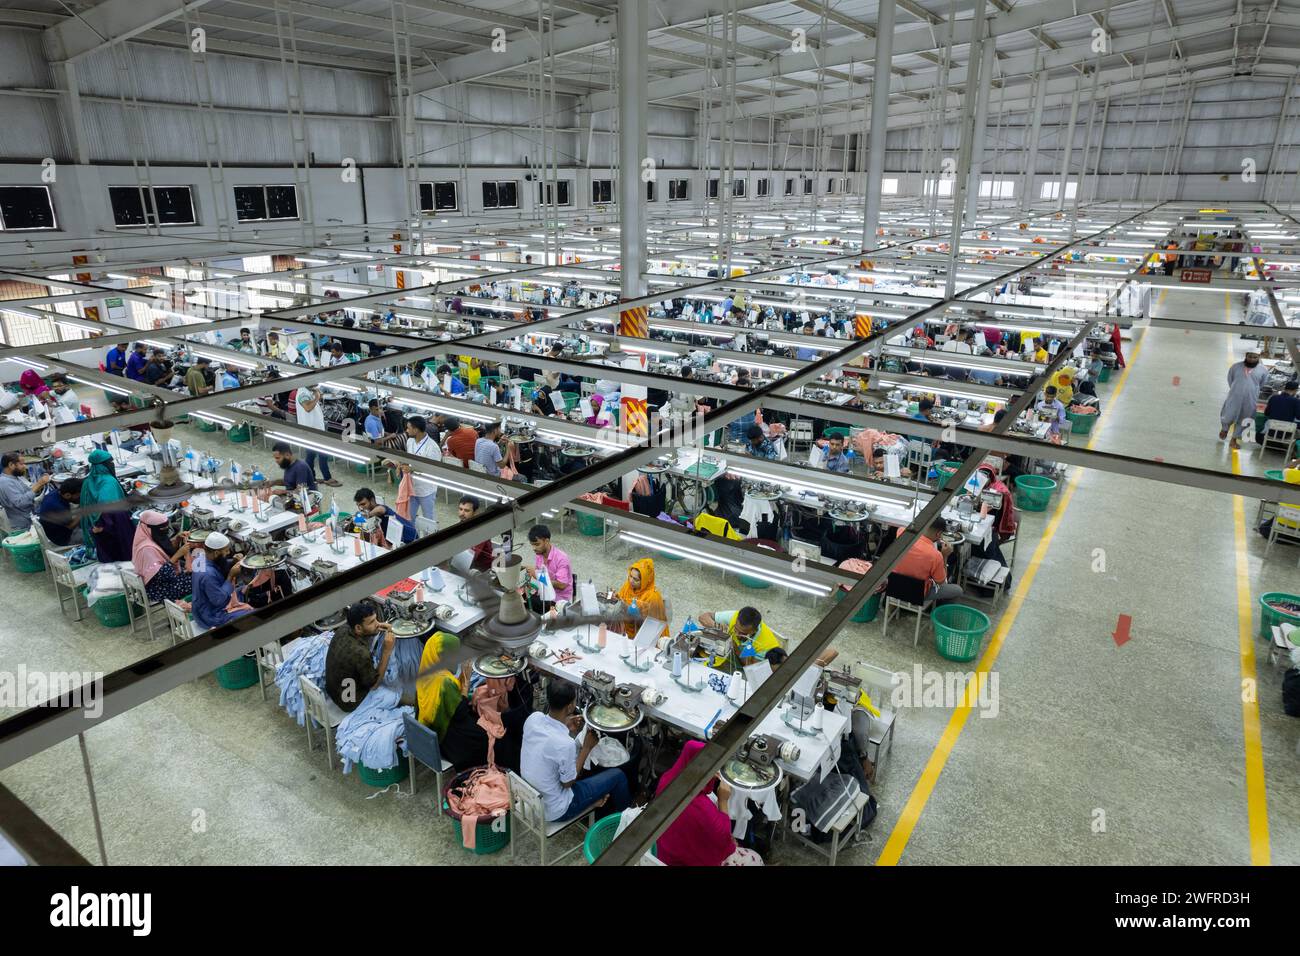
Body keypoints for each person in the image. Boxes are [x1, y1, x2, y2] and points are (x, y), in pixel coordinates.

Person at [520, 682, 630, 822]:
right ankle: (629, 824)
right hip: (556, 810)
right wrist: (586, 748)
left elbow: (547, 740)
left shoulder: (533, 719)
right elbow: (567, 784)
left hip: (530, 797)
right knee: (618, 775)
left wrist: (564, 723)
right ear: (571, 706)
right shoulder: (565, 744)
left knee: (577, 772)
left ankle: (592, 800)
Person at [655, 740, 764, 866]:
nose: (715, 774)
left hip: (666, 854)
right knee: (755, 858)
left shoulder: (667, 780)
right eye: (713, 770)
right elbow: (725, 843)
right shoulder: (702, 809)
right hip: (687, 861)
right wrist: (723, 800)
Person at [324, 601, 396, 713]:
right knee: (395, 695)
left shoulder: (343, 629)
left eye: (376, 619)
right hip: (349, 702)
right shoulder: (360, 653)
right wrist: (387, 651)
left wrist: (375, 625)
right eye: (372, 622)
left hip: (333, 690)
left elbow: (363, 635)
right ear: (358, 628)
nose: (377, 624)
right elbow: (374, 685)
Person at [189, 532, 253, 632]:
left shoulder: (200, 558)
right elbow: (219, 600)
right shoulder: (207, 574)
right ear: (216, 553)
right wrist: (231, 576)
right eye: (226, 551)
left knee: (248, 589)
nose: (228, 553)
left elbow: (217, 566)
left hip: (202, 607)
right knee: (253, 616)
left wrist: (232, 562)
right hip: (211, 615)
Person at [382, 415, 440, 522]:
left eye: (408, 428)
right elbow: (409, 460)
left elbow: (433, 470)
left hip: (426, 489)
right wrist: (400, 464)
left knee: (428, 518)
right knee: (408, 517)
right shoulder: (410, 441)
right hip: (411, 487)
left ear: (416, 430)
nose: (406, 430)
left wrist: (412, 469)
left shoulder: (432, 448)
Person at [79, 449, 133, 561]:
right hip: (113, 526)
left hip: (96, 528)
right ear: (103, 465)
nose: (112, 465)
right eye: (110, 463)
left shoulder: (87, 481)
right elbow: (106, 503)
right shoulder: (109, 481)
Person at [893, 519, 964, 605]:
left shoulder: (901, 532)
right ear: (938, 534)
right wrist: (944, 556)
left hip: (895, 586)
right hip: (917, 593)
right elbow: (941, 582)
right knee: (958, 590)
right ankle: (940, 610)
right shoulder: (936, 555)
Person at [131, 510, 194, 603]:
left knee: (197, 571)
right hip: (159, 590)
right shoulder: (146, 548)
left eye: (166, 528)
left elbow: (164, 551)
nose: (165, 531)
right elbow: (163, 574)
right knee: (198, 579)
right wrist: (178, 554)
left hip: (162, 583)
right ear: (148, 528)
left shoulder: (150, 537)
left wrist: (177, 539)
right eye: (161, 529)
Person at [416, 631, 467, 737]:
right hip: (444, 733)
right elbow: (461, 713)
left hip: (425, 728)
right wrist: (466, 683)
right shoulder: (446, 683)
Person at [697, 606, 780, 666]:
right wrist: (715, 625)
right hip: (723, 657)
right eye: (736, 629)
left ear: (754, 630)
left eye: (742, 633)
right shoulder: (734, 616)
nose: (736, 634)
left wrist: (735, 648)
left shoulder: (766, 646)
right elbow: (703, 617)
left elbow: (751, 667)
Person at [1220, 352, 1269, 449]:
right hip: (1235, 396)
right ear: (1246, 356)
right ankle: (1224, 429)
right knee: (1228, 413)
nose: (1251, 359)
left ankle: (1233, 440)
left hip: (1250, 398)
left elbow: (1262, 384)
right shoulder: (1236, 367)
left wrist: (1250, 390)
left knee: (1245, 418)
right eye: (1250, 357)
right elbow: (1230, 379)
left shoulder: (1263, 370)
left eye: (1254, 357)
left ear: (1258, 357)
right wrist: (1237, 389)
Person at [293, 383, 339, 485]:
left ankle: (311, 478)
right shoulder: (302, 393)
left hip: (313, 429)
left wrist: (318, 394)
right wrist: (317, 397)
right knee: (323, 453)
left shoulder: (307, 390)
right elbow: (307, 407)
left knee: (311, 455)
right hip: (312, 430)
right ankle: (327, 478)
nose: (316, 385)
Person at [614, 557, 668, 637]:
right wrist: (616, 599)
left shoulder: (653, 597)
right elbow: (621, 602)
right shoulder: (628, 586)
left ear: (645, 581)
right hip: (625, 629)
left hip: (644, 635)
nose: (631, 581)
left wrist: (631, 612)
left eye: (636, 579)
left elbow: (650, 626)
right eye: (630, 576)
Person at [0, 453, 51, 531]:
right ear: (11, 465)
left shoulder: (15, 477)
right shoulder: (5, 482)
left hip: (29, 518)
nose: (24, 466)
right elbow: (20, 502)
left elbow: (29, 492)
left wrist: (42, 484)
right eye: (21, 464)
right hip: (22, 526)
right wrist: (39, 483)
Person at [353, 488, 418, 545]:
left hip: (411, 538)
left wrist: (367, 515)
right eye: (358, 505)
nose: (361, 508)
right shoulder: (369, 512)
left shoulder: (381, 508)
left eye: (363, 504)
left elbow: (380, 510)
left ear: (372, 500)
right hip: (395, 540)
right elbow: (357, 522)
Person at [526, 524, 573, 604]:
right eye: (532, 544)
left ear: (547, 541)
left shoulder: (561, 559)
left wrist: (538, 576)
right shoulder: (539, 555)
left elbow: (562, 585)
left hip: (558, 599)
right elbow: (539, 572)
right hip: (545, 592)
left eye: (537, 544)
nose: (534, 548)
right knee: (524, 598)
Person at [452, 495, 494, 572]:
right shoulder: (461, 524)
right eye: (460, 509)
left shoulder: (480, 530)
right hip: (469, 566)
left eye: (466, 511)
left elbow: (470, 557)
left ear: (475, 512)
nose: (462, 513)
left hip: (482, 570)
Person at [37, 476, 83, 546]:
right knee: (94, 536)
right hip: (62, 539)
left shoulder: (55, 493)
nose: (80, 498)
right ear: (67, 495)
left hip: (53, 530)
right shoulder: (58, 507)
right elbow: (71, 526)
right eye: (79, 496)